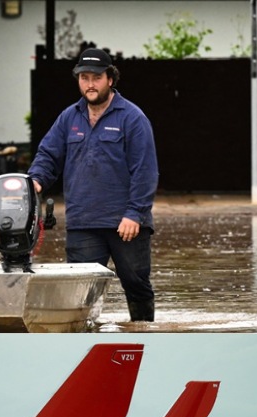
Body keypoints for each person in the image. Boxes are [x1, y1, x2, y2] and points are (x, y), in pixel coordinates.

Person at [27, 47, 159, 322]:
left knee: (136, 285)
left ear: (110, 79)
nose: (90, 84)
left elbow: (145, 171)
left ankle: (144, 335)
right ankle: (84, 342)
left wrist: (134, 213)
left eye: (96, 77)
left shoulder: (133, 118)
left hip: (126, 226)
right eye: (84, 77)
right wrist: (36, 180)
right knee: (80, 291)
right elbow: (49, 154)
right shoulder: (69, 118)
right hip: (83, 222)